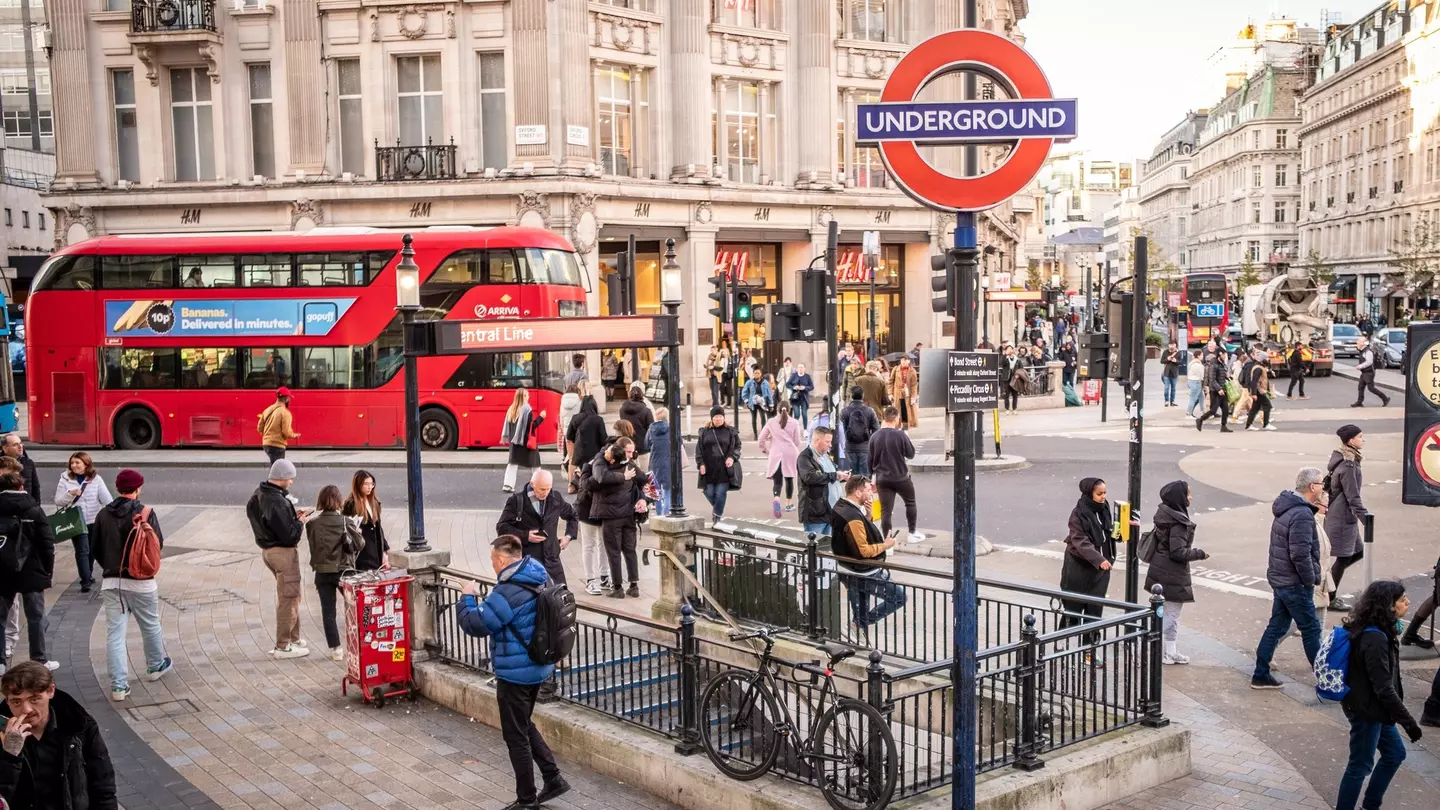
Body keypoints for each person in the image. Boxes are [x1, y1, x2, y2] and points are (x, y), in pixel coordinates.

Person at [457, 536, 569, 810]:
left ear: (502, 560)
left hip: (516, 674)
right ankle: (553, 778)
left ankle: (527, 800)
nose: (492, 564)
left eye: (494, 560)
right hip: (538, 666)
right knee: (523, 723)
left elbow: (475, 624)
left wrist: (467, 597)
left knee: (515, 736)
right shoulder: (539, 575)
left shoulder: (507, 592)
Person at [1334, 580, 1423, 810]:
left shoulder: (1379, 629)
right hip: (1367, 711)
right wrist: (1409, 723)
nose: (1408, 602)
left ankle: (1370, 805)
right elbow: (1384, 687)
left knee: (1394, 754)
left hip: (1376, 709)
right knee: (1359, 766)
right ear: (1389, 606)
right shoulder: (1375, 638)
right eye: (1402, 600)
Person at [90, 469, 171, 701]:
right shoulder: (145, 512)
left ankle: (118, 686)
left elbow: (95, 548)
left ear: (117, 488)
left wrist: (110, 566)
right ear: (138, 488)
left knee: (115, 634)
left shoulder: (103, 514)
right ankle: (156, 666)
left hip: (111, 582)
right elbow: (158, 544)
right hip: (142, 582)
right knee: (150, 624)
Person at [0, 661, 117, 809]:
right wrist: (9, 757)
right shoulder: (2, 735)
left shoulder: (78, 726)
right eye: (16, 702)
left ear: (50, 691)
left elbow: (103, 786)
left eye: (34, 699)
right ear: (7, 701)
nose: (27, 709)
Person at [1251, 467, 1327, 688]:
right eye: (1321, 484)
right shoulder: (1302, 514)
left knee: (1277, 626)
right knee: (1311, 629)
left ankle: (1261, 673)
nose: (1324, 488)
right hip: (1294, 582)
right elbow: (1300, 553)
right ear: (1312, 486)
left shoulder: (1288, 507)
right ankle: (1325, 679)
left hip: (1281, 578)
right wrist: (1309, 579)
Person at [246, 459, 310, 659]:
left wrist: (291, 518)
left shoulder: (259, 494)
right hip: (283, 553)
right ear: (282, 478)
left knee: (291, 595)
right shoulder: (278, 502)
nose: (291, 482)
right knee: (288, 598)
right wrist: (300, 522)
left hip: (268, 551)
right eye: (290, 478)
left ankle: (295, 638)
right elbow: (290, 535)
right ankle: (283, 645)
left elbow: (269, 522)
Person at [830, 476, 905, 640]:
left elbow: (854, 536)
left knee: (860, 606)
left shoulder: (841, 506)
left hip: (847, 568)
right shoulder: (853, 517)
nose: (871, 492)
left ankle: (858, 633)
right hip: (863, 571)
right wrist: (886, 545)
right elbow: (862, 550)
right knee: (899, 597)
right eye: (868, 489)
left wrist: (869, 515)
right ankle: (857, 625)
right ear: (857, 492)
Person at [1145, 481, 1209, 664]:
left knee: (1169, 613)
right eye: (1188, 494)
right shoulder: (1178, 522)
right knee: (1171, 614)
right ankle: (1143, 642)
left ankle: (1170, 652)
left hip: (1160, 569)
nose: (1190, 497)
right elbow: (1178, 552)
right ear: (1179, 497)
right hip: (1171, 573)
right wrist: (1200, 554)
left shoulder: (1165, 514)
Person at [0, 471, 56, 672]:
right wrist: (47, 571)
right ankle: (39, 659)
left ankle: (0, 662)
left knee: (0, 617)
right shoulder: (33, 510)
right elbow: (47, 544)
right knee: (36, 617)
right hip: (31, 570)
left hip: (2, 570)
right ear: (21, 487)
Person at [1060, 478, 1116, 656]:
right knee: (1073, 606)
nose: (1103, 497)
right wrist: (1098, 558)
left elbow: (1108, 533)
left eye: (1105, 493)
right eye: (1099, 494)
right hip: (1079, 566)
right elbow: (1080, 541)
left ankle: (1089, 650)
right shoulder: (1078, 514)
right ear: (1089, 493)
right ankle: (1061, 637)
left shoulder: (1105, 509)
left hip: (1101, 569)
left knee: (1094, 609)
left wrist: (1118, 533)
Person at [497, 469, 577, 588]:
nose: (545, 493)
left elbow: (572, 515)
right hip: (528, 564)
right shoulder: (516, 501)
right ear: (532, 484)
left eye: (548, 488)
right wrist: (525, 536)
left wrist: (568, 537)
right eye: (542, 489)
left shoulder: (555, 498)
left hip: (552, 563)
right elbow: (502, 527)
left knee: (560, 601)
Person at [589, 438, 647, 599]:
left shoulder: (605, 469)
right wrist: (639, 494)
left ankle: (618, 588)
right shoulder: (629, 466)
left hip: (611, 516)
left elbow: (595, 481)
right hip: (628, 515)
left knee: (613, 552)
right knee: (630, 550)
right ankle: (634, 586)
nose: (605, 452)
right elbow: (642, 478)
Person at [306, 485, 353, 662]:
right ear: (338, 500)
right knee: (352, 608)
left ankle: (336, 649)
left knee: (328, 612)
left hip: (322, 572)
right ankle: (358, 644)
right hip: (343, 571)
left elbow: (314, 544)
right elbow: (359, 543)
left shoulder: (312, 524)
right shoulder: (345, 522)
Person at [53, 452, 112, 594]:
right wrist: (70, 494)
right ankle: (85, 580)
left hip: (93, 520)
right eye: (72, 463)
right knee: (82, 551)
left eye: (77, 463)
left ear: (86, 464)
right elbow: (58, 501)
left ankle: (89, 574)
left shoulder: (96, 479)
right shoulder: (65, 480)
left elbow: (107, 500)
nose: (74, 465)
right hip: (76, 522)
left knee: (91, 550)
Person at [1326, 425, 1368, 612]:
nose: (1363, 439)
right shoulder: (1349, 465)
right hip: (1343, 516)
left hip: (1343, 515)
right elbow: (1353, 496)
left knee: (1357, 552)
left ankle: (1327, 585)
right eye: (1360, 436)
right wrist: (1366, 519)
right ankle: (1329, 596)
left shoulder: (1344, 459)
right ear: (1351, 441)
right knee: (1344, 558)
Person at [870, 407, 922, 544]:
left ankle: (887, 540)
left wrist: (872, 479)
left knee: (885, 511)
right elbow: (910, 454)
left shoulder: (874, 437)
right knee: (910, 503)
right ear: (896, 418)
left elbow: (869, 461)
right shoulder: (900, 435)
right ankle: (912, 533)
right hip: (900, 477)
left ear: (884, 418)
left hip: (882, 478)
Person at [798, 427, 847, 537]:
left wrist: (841, 476)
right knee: (813, 548)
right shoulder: (805, 457)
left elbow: (829, 476)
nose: (830, 445)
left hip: (829, 511)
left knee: (827, 548)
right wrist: (834, 475)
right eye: (827, 442)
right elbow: (809, 477)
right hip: (815, 514)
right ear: (817, 440)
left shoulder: (825, 456)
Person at [696, 408, 740, 525]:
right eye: (715, 417)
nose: (718, 419)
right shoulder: (705, 432)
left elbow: (737, 447)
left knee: (721, 493)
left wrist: (732, 457)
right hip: (709, 468)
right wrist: (701, 464)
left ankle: (717, 517)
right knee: (708, 492)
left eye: (720, 417)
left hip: (724, 469)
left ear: (724, 418)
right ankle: (718, 508)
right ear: (712, 418)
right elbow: (699, 450)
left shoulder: (730, 432)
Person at [758, 406, 802, 519]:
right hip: (790, 453)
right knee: (789, 478)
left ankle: (777, 498)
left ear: (777, 410)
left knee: (777, 481)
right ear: (789, 410)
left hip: (776, 453)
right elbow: (797, 440)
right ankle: (788, 504)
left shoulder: (771, 422)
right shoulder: (794, 422)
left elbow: (761, 438)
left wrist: (765, 450)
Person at [341, 470, 388, 571]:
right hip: (362, 552)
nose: (370, 487)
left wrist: (385, 549)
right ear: (358, 485)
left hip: (376, 551)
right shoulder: (351, 504)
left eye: (372, 484)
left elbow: (378, 527)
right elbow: (345, 527)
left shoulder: (374, 502)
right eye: (366, 484)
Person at [502, 388, 546, 494]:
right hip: (526, 442)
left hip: (514, 442)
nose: (528, 397)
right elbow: (531, 427)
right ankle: (539, 484)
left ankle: (508, 485)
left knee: (512, 463)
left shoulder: (511, 409)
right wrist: (541, 417)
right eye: (527, 395)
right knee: (535, 464)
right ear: (523, 397)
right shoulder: (527, 410)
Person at [565, 395, 607, 489]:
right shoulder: (598, 420)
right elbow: (603, 439)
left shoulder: (575, 418)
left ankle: (574, 484)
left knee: (581, 472)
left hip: (579, 453)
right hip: (594, 453)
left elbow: (569, 436)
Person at [840, 386, 880, 478]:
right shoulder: (870, 411)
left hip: (850, 448)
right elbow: (876, 430)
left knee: (851, 479)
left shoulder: (844, 412)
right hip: (865, 449)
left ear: (851, 396)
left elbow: (841, 432)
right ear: (863, 396)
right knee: (865, 479)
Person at [1195, 344, 1233, 433]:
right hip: (1215, 391)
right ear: (1220, 354)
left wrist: (1228, 377)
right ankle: (1200, 420)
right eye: (1224, 354)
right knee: (1213, 410)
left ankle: (1223, 426)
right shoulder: (1214, 364)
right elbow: (1212, 379)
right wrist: (1218, 389)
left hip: (1223, 389)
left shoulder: (1221, 363)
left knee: (1225, 409)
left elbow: (1222, 375)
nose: (1225, 356)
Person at [256, 388, 299, 464]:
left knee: (276, 468)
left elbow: (259, 428)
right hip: (277, 445)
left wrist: (267, 437)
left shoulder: (267, 410)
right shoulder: (285, 413)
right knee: (278, 470)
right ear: (286, 399)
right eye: (289, 398)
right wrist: (294, 435)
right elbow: (286, 431)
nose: (289, 400)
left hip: (266, 444)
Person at [645, 407, 674, 517]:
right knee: (667, 490)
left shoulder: (651, 429)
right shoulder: (671, 428)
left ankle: (658, 514)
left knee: (656, 491)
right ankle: (666, 513)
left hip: (655, 461)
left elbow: (646, 444)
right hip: (669, 461)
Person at [618, 383, 654, 472]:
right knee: (645, 476)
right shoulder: (646, 411)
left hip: (627, 446)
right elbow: (651, 430)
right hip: (643, 447)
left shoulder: (622, 410)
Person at [1351, 336, 1391, 408]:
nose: (1357, 343)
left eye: (1358, 341)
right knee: (1361, 387)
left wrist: (1360, 366)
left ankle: (1385, 398)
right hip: (1364, 373)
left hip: (1369, 373)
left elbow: (1369, 362)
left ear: (1363, 343)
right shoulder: (1363, 351)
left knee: (1371, 388)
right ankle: (1359, 402)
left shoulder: (1368, 351)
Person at [1244, 350, 1275, 431]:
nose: (1268, 359)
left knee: (1255, 408)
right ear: (1262, 359)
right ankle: (1266, 424)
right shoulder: (1258, 369)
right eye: (1266, 358)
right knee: (1267, 406)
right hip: (1259, 391)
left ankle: (1248, 425)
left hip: (1258, 391)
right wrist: (1254, 393)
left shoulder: (1259, 367)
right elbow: (1254, 381)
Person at [887, 355, 920, 430]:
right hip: (897, 393)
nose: (903, 362)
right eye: (902, 360)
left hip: (907, 394)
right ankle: (897, 427)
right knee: (897, 411)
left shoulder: (912, 371)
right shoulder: (896, 369)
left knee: (906, 412)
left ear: (908, 361)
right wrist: (890, 393)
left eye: (905, 360)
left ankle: (905, 428)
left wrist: (913, 397)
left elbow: (914, 385)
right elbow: (890, 381)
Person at [0, 436, 37, 502]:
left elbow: (35, 487)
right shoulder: (1, 464)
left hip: (26, 505)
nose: (20, 447)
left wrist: (36, 505)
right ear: (5, 448)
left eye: (20, 443)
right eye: (15, 445)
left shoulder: (28, 463)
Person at [557, 383, 585, 462]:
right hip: (577, 428)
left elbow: (561, 417)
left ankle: (567, 460)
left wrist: (563, 429)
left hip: (566, 428)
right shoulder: (580, 400)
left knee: (568, 448)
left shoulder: (562, 401)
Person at [789, 363, 814, 428]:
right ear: (797, 369)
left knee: (804, 414)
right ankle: (795, 428)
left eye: (802, 367)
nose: (800, 369)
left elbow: (811, 386)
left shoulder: (807, 376)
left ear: (804, 369)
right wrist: (794, 387)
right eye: (799, 367)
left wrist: (805, 388)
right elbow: (788, 384)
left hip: (804, 397)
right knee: (796, 414)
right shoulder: (794, 376)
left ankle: (805, 429)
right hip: (795, 398)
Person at [999, 346, 1023, 413]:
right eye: (1008, 349)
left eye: (1011, 349)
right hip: (1007, 378)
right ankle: (1007, 409)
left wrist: (1018, 374)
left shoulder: (1017, 359)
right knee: (1006, 394)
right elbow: (1001, 363)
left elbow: (1021, 368)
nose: (1010, 351)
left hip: (1015, 379)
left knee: (1015, 394)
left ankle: (1014, 408)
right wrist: (1005, 355)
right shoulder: (1005, 358)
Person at [1185, 351, 1205, 418]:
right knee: (1193, 399)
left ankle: (1203, 412)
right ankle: (1188, 413)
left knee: (1201, 397)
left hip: (1191, 381)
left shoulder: (1191, 363)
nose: (1203, 356)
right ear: (1198, 356)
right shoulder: (1199, 365)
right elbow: (1201, 376)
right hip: (1196, 382)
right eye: (1202, 355)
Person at [1161, 342, 1181, 407]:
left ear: (1175, 346)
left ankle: (1172, 401)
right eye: (1171, 345)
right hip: (1166, 373)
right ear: (1169, 345)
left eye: (1173, 345)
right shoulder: (1165, 352)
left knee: (1173, 388)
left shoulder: (1178, 353)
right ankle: (1166, 401)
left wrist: (1176, 361)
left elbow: (1180, 362)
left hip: (1174, 373)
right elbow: (1161, 361)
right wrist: (1167, 359)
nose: (1172, 346)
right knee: (1166, 388)